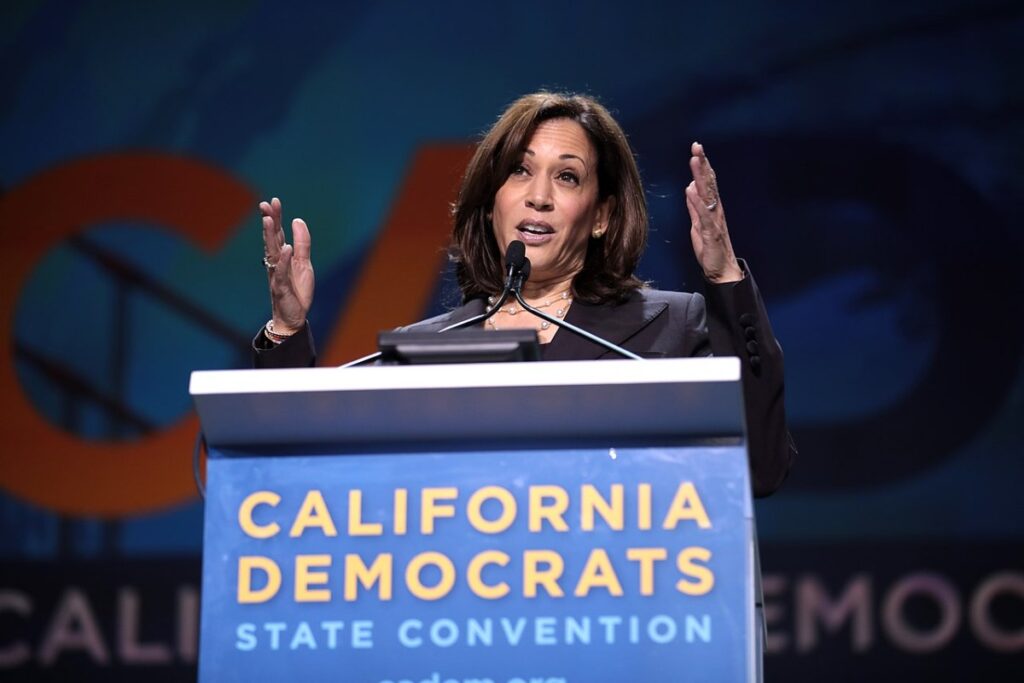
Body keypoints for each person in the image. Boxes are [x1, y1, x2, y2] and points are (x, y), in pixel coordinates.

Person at [253, 92, 795, 497]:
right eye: (519, 171)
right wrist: (287, 332)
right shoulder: (419, 354)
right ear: (492, 201)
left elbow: (759, 469)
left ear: (602, 215)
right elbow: (297, 480)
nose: (538, 197)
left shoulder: (669, 328)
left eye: (566, 177)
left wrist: (725, 280)